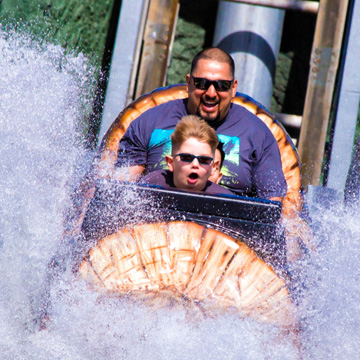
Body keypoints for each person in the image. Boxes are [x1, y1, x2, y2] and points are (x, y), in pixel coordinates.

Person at [115, 47, 287, 201]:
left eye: (221, 85)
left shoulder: (258, 133)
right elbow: (118, 193)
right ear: (188, 82)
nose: (211, 93)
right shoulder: (149, 122)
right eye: (202, 84)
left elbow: (271, 210)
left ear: (234, 88)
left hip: (226, 229)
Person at [140, 115, 233, 195]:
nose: (195, 164)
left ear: (213, 167)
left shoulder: (225, 200)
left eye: (204, 160)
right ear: (171, 163)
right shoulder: (151, 184)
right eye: (186, 157)